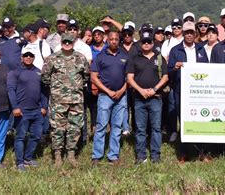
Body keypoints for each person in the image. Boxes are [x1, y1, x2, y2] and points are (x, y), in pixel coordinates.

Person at [41, 33, 90, 167]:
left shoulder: (81, 58)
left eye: (69, 42)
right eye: (65, 42)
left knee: (74, 128)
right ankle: (57, 155)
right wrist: (57, 88)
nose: (67, 44)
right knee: (57, 128)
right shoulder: (52, 58)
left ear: (73, 43)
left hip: (76, 100)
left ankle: (71, 154)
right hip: (58, 101)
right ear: (61, 42)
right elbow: (45, 76)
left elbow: (86, 76)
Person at [167, 22, 209, 162]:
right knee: (183, 122)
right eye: (186, 32)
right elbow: (168, 71)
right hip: (181, 91)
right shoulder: (175, 50)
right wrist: (174, 68)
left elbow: (208, 69)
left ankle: (201, 153)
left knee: (200, 121)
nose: (189, 35)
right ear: (183, 34)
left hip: (199, 91)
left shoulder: (201, 49)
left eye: (191, 32)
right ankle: (183, 153)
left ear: (195, 33)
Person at [126, 31, 169, 164]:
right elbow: (129, 78)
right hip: (139, 98)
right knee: (140, 129)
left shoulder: (159, 58)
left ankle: (156, 156)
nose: (146, 44)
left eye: (148, 42)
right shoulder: (134, 59)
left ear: (152, 43)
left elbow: (166, 77)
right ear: (140, 43)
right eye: (143, 42)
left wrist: (154, 89)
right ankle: (141, 156)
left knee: (156, 128)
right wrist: (141, 90)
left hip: (155, 98)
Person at [91, 32, 128, 165]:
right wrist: (107, 91)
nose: (113, 41)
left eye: (116, 39)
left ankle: (113, 155)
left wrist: (121, 91)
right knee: (101, 126)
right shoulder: (100, 56)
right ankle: (97, 155)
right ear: (107, 40)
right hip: (105, 96)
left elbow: (129, 77)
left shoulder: (124, 56)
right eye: (111, 39)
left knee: (117, 126)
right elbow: (93, 77)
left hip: (121, 96)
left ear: (119, 41)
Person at [7, 49, 48, 171]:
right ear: (22, 57)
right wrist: (15, 107)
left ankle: (28, 158)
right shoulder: (15, 72)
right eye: (26, 55)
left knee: (36, 135)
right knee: (20, 136)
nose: (28, 57)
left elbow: (44, 91)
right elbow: (10, 90)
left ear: (34, 57)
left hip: (37, 110)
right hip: (22, 110)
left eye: (31, 56)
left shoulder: (38, 72)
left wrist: (44, 106)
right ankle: (19, 162)